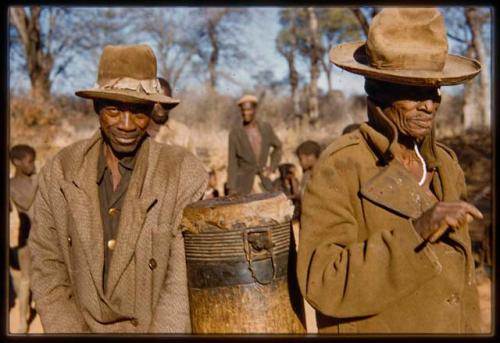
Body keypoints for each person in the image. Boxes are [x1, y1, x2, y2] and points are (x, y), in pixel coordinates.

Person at [297, 8, 483, 334]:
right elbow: (324, 282)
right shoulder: (341, 165)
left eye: (434, 90)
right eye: (415, 91)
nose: (429, 105)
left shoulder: (446, 165)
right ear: (378, 91)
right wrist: (418, 231)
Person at [28, 44, 208, 333]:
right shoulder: (60, 171)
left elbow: (179, 285)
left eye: (138, 112)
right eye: (114, 109)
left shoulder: (183, 173)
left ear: (152, 111)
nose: (126, 124)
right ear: (97, 107)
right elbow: (47, 265)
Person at [227, 94, 282, 195]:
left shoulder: (266, 128)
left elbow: (278, 147)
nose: (245, 113)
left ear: (255, 110)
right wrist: (231, 187)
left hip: (264, 181)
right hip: (243, 183)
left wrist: (272, 167)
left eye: (249, 110)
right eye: (243, 110)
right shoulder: (235, 133)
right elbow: (232, 162)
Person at [10, 144, 38, 333]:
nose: (33, 166)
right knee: (25, 279)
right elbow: (25, 201)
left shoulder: (35, 180)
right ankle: (22, 319)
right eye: (30, 161)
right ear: (17, 162)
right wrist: (38, 180)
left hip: (42, 238)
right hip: (25, 238)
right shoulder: (12, 184)